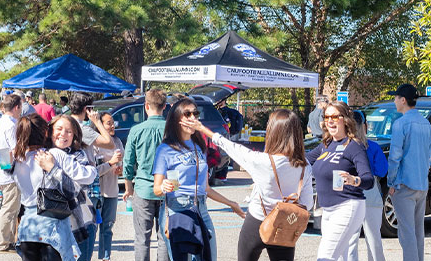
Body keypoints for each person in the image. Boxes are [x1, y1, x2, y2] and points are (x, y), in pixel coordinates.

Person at [192, 108, 311, 261]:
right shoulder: (304, 165)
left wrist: (201, 128)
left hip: (257, 220)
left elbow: (229, 146)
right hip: (285, 224)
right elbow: (306, 203)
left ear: (273, 131)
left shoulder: (261, 161)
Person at [155, 98, 245, 261]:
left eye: (195, 113)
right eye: (187, 114)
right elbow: (157, 188)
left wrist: (231, 203)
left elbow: (206, 188)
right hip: (177, 209)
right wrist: (164, 186)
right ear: (177, 118)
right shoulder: (165, 149)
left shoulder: (199, 147)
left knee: (209, 257)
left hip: (201, 209)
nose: (193, 117)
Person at [15, 114, 98, 261]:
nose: (63, 134)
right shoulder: (54, 154)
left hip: (29, 227)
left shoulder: (19, 158)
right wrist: (52, 168)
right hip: (53, 225)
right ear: (47, 131)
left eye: (69, 131)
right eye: (59, 129)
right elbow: (73, 190)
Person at [306, 102, 374, 261]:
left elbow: (368, 180)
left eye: (335, 117)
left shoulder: (354, 146)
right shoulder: (326, 145)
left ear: (345, 120)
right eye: (327, 117)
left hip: (347, 206)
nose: (330, 120)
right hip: (327, 210)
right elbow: (303, 161)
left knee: (325, 257)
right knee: (339, 257)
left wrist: (354, 179)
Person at [386, 84, 431, 261]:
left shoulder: (401, 124)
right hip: (421, 184)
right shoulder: (425, 123)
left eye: (396, 97)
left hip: (404, 185)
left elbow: (395, 157)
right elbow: (428, 156)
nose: (394, 100)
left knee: (407, 234)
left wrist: (391, 183)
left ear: (403, 100)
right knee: (418, 232)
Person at [124, 88, 170, 261]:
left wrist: (129, 188)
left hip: (143, 188)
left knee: (142, 239)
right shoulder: (171, 129)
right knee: (164, 238)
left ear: (146, 106)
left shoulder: (136, 130)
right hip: (167, 189)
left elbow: (128, 163)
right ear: (164, 106)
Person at [68, 92, 115, 261]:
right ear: (87, 109)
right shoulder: (82, 128)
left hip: (68, 185)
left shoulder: (64, 124)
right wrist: (96, 122)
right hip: (85, 186)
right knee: (88, 230)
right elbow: (109, 143)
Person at [347, 110, 387, 261]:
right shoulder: (373, 147)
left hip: (350, 194)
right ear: (365, 125)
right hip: (371, 194)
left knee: (351, 241)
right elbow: (382, 171)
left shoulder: (344, 146)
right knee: (374, 240)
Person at [0, 93, 25, 252]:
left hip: (5, 169)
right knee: (10, 209)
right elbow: (15, 149)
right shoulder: (10, 124)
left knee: (10, 208)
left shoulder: (5, 121)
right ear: (17, 107)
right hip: (9, 172)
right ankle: (3, 242)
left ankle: (8, 240)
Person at [93, 113, 125, 261]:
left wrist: (120, 169)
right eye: (108, 123)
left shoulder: (117, 141)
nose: (112, 126)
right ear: (99, 125)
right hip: (96, 192)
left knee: (107, 228)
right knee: (92, 228)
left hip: (112, 191)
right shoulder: (94, 143)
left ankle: (106, 257)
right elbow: (93, 172)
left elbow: (121, 166)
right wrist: (111, 163)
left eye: (113, 123)